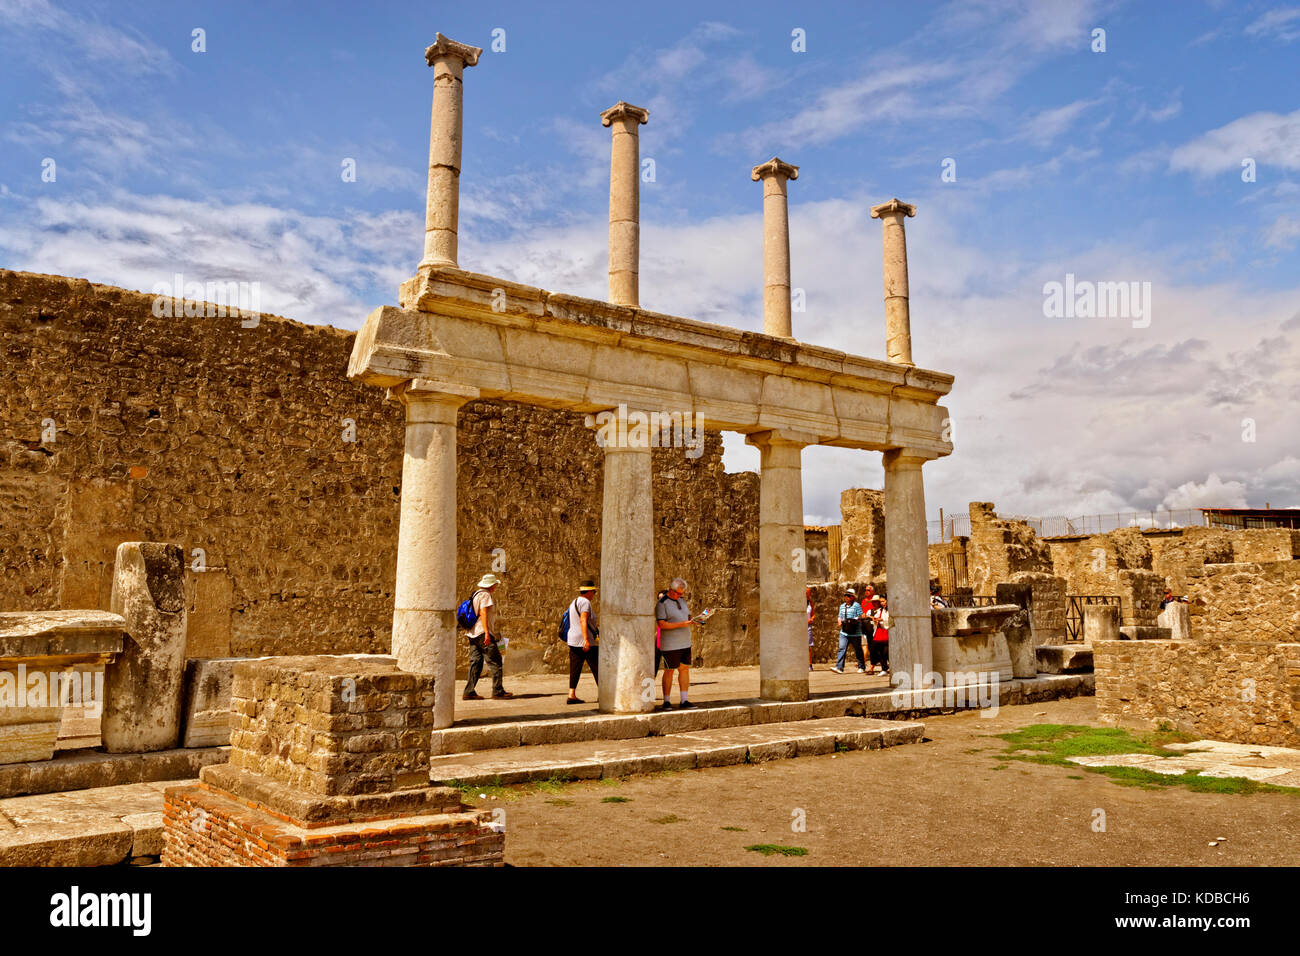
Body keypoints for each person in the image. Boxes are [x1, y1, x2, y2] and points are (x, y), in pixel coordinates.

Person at [464, 573, 513, 700]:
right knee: (496, 661)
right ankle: (498, 691)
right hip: (482, 633)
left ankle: (469, 691)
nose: (496, 586)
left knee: (476, 662)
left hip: (473, 633)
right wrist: (487, 633)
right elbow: (483, 613)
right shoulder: (485, 595)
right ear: (491, 585)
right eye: (495, 584)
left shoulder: (476, 594)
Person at [656, 578, 694, 709]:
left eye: (682, 593)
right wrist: (681, 624)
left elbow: (687, 617)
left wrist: (694, 620)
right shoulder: (662, 603)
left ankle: (684, 700)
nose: (680, 596)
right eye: (678, 593)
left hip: (685, 642)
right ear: (671, 591)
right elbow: (662, 624)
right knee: (669, 670)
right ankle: (666, 701)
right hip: (671, 644)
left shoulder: (682, 601)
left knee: (684, 669)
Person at [565, 580, 599, 704]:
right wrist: (586, 640)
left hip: (573, 639)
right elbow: (583, 620)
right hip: (584, 641)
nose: (594, 594)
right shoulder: (585, 602)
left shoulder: (574, 602)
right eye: (594, 592)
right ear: (589, 591)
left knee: (575, 668)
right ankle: (603, 694)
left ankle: (571, 694)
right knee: (598, 667)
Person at [834, 588, 866, 674]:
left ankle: (861, 666)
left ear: (852, 597)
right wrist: (839, 621)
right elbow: (839, 616)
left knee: (858, 649)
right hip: (844, 631)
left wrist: (853, 620)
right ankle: (839, 667)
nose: (846, 597)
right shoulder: (842, 606)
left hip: (855, 632)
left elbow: (861, 616)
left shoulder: (856, 605)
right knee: (841, 648)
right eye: (845, 595)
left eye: (848, 596)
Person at [868, 596, 890, 676]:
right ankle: (884, 668)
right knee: (876, 650)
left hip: (888, 632)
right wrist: (875, 619)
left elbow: (891, 620)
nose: (882, 603)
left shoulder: (891, 610)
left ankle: (885, 668)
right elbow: (877, 618)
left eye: (883, 601)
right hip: (881, 633)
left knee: (885, 652)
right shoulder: (880, 610)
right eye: (881, 602)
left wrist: (882, 620)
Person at [806, 587, 815, 672]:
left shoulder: (810, 602)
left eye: (809, 593)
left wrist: (811, 619)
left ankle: (809, 665)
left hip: (807, 626)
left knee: (808, 646)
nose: (808, 595)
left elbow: (813, 614)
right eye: (807, 593)